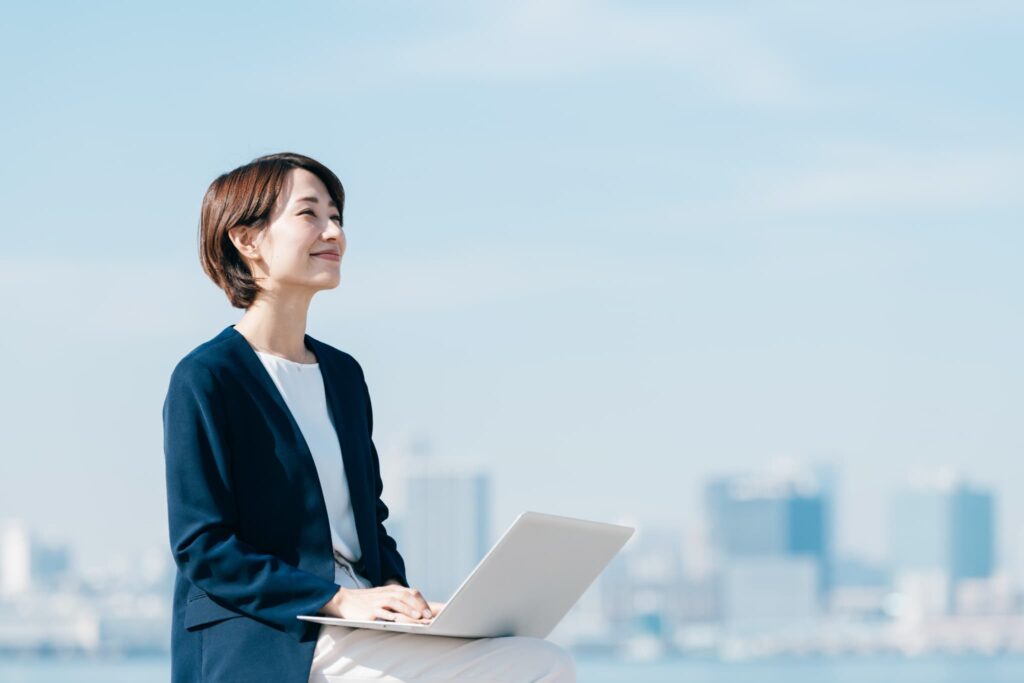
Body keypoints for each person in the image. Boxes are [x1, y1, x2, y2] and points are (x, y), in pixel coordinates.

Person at [162, 152, 576, 682]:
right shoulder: (208, 377)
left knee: (527, 650)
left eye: (337, 216)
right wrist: (335, 600)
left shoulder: (342, 375)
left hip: (361, 624)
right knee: (539, 665)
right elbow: (204, 548)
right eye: (309, 214)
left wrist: (407, 608)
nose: (333, 231)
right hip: (276, 635)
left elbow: (369, 528)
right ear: (246, 239)